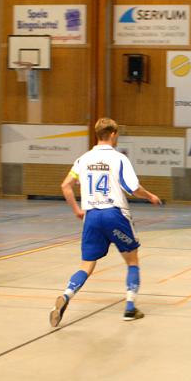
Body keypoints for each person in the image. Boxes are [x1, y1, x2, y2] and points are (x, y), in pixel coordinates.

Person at [50, 117, 161, 326]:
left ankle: (66, 295)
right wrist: (151, 196)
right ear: (112, 134)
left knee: (87, 264)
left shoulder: (83, 159)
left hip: (91, 216)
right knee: (132, 260)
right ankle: (130, 307)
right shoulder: (118, 159)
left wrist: (76, 210)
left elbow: (66, 186)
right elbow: (134, 189)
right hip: (114, 214)